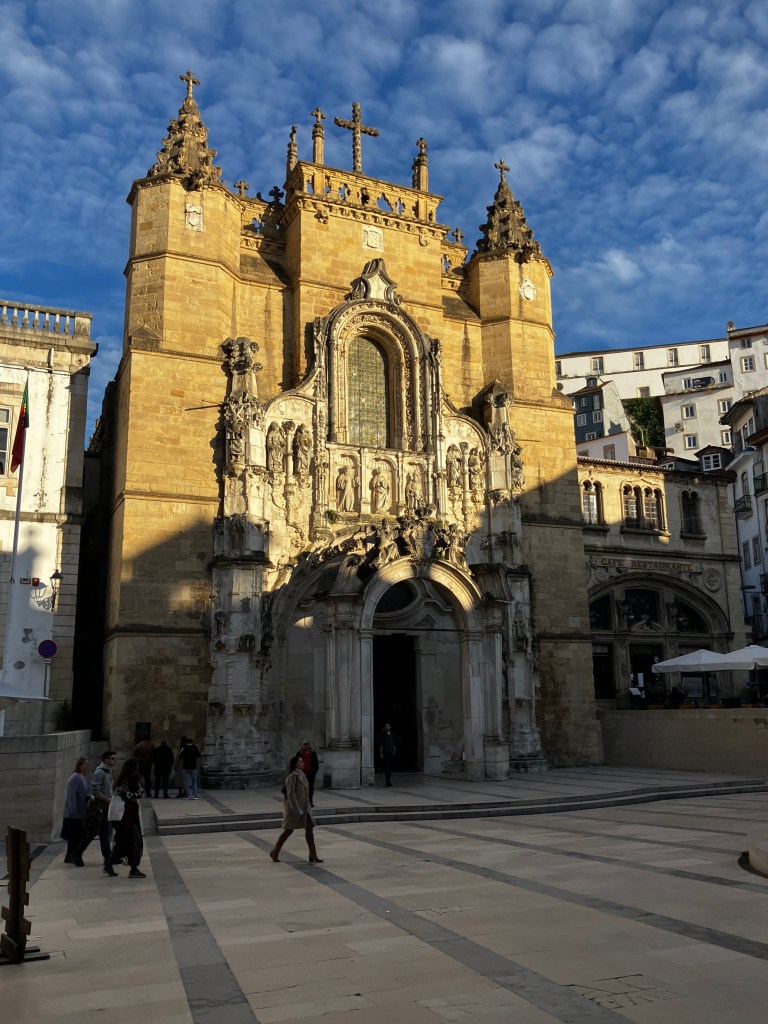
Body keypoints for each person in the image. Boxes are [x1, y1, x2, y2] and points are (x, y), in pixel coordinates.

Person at [269, 756, 323, 864]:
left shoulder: (302, 775)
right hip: (294, 809)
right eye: (300, 762)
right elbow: (291, 794)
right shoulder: (292, 776)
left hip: (305, 808)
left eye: (302, 761)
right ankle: (275, 851)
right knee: (289, 830)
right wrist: (296, 809)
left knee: (310, 829)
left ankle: (313, 854)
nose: (303, 763)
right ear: (295, 764)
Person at [72, 750, 116, 867]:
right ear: (106, 759)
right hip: (98, 807)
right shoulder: (100, 772)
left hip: (106, 806)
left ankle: (107, 856)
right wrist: (106, 799)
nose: (114, 761)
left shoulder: (108, 772)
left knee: (105, 832)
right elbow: (95, 790)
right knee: (92, 832)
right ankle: (77, 853)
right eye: (112, 758)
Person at [104, 758, 146, 878]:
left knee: (123, 842)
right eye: (136, 767)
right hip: (125, 816)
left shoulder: (133, 779)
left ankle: (109, 864)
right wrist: (136, 793)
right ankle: (133, 868)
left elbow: (140, 791)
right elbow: (128, 795)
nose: (137, 769)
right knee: (133, 841)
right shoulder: (125, 781)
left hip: (130, 816)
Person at [61, 756, 90, 863]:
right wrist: (73, 810)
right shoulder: (75, 777)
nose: (87, 766)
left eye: (88, 764)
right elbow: (71, 795)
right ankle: (71, 855)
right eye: (85, 764)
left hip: (81, 811)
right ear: (80, 765)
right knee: (74, 835)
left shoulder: (83, 776)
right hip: (74, 813)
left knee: (77, 835)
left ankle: (71, 854)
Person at [295, 739, 319, 806]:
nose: (305, 745)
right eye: (303, 744)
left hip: (310, 774)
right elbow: (296, 763)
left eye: (306, 744)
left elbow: (316, 765)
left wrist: (313, 773)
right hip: (302, 774)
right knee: (302, 789)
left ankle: (310, 802)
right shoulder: (299, 753)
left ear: (309, 745)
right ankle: (302, 802)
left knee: (310, 788)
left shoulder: (313, 753)